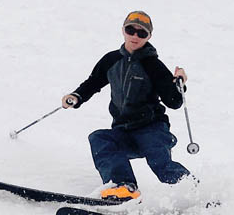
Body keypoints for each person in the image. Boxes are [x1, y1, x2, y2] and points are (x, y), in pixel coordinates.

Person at [61, 11, 191, 201]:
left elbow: (174, 102)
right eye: (131, 30)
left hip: (152, 129)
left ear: (149, 37)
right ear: (123, 30)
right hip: (123, 130)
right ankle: (123, 187)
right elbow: (93, 82)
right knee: (100, 139)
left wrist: (179, 84)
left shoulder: (153, 65)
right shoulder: (111, 60)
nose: (135, 36)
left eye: (142, 33)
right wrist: (77, 96)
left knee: (161, 164)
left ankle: (194, 194)